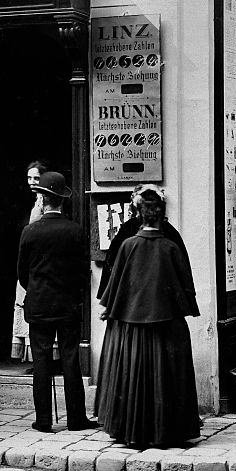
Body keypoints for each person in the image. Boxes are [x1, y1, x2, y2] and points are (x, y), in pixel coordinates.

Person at [96, 185, 201, 449]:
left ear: (139, 214)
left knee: (133, 377)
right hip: (167, 325)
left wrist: (109, 308)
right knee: (166, 378)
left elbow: (116, 283)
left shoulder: (128, 245)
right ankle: (167, 431)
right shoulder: (171, 246)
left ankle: (131, 431)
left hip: (131, 325)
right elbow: (185, 286)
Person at [17, 171, 96, 434]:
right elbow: (83, 272)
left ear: (43, 200)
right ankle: (76, 419)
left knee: (40, 360)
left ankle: (43, 421)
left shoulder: (30, 232)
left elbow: (22, 273)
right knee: (70, 359)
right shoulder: (75, 230)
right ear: (61, 200)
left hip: (39, 304)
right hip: (67, 305)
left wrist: (38, 290)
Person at [98, 184, 190, 300]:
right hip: (160, 298)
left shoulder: (128, 230)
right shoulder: (169, 231)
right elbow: (183, 269)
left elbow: (112, 265)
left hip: (133, 298)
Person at [12, 160, 49, 363]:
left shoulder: (45, 202)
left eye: (36, 178)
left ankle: (42, 359)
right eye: (29, 178)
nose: (32, 182)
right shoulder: (31, 201)